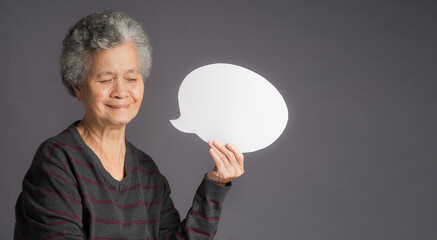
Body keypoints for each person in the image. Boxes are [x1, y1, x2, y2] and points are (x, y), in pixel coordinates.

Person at [14, 11, 244, 240]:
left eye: (132, 79)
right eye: (106, 80)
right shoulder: (57, 161)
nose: (121, 91)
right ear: (78, 88)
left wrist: (216, 183)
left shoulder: (147, 171)